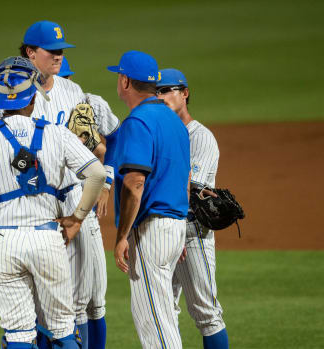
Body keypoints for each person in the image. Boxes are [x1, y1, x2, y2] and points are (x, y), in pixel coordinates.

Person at [0, 56, 106, 348]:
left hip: (3, 243)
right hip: (48, 239)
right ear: (34, 98)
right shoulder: (56, 133)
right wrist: (77, 218)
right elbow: (97, 174)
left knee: (17, 333)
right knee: (64, 328)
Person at [0, 22, 117, 349]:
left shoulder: (71, 91)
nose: (58, 56)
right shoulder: (10, 95)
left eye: (62, 51)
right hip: (32, 207)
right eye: (52, 51)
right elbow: (2, 151)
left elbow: (94, 148)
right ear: (31, 53)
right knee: (32, 303)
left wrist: (100, 167)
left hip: (74, 200)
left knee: (81, 300)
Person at [108, 51, 190, 349]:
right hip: (175, 226)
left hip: (152, 231)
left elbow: (135, 182)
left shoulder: (139, 121)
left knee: (154, 321)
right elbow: (185, 177)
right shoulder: (174, 120)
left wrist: (121, 237)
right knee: (164, 316)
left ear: (125, 80)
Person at [157, 68, 229, 349]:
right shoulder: (162, 135)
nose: (161, 96)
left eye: (167, 90)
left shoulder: (200, 137)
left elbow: (184, 185)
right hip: (164, 231)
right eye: (157, 91)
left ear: (184, 93)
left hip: (192, 232)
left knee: (206, 313)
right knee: (164, 313)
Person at [58, 56, 121, 349]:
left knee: (96, 301)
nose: (66, 84)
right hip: (56, 210)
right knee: (73, 301)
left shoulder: (89, 102)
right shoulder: (35, 108)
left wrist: (107, 181)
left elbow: (116, 141)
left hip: (87, 214)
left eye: (68, 78)